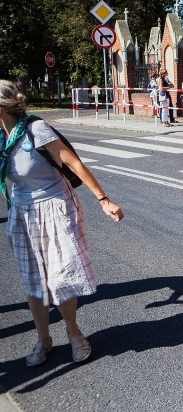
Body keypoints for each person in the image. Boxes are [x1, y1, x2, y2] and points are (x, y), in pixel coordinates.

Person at [0, 79, 124, 366]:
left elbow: (73, 163)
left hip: (55, 207)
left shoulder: (35, 129)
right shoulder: (1, 138)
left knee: (62, 275)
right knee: (34, 280)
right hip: (22, 212)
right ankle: (43, 338)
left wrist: (104, 199)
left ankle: (74, 332)